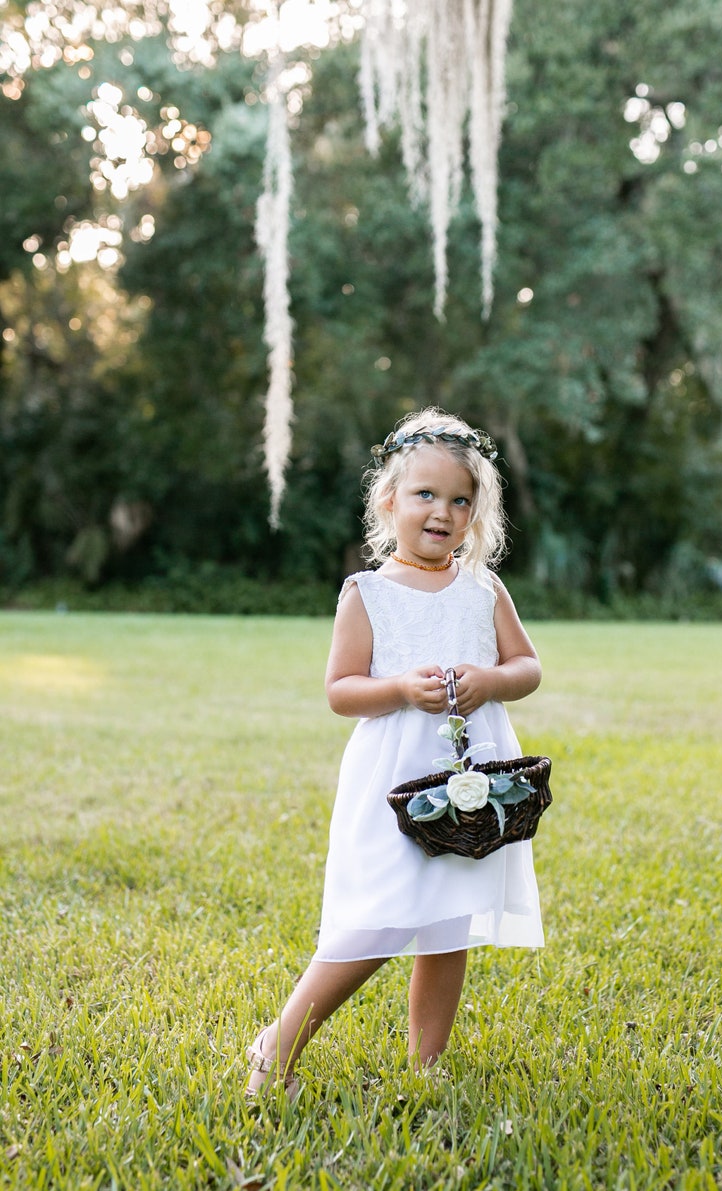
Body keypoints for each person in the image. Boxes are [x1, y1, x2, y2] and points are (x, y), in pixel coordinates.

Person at [245, 407, 544, 1102]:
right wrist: (400, 688)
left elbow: (527, 666)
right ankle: (279, 1040)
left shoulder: (483, 588)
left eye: (460, 499)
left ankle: (427, 1064)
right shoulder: (368, 593)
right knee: (379, 915)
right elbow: (341, 691)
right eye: (425, 494)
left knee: (449, 920)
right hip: (395, 777)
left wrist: (490, 680)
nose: (442, 511)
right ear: (389, 500)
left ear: (476, 513)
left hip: (473, 778)